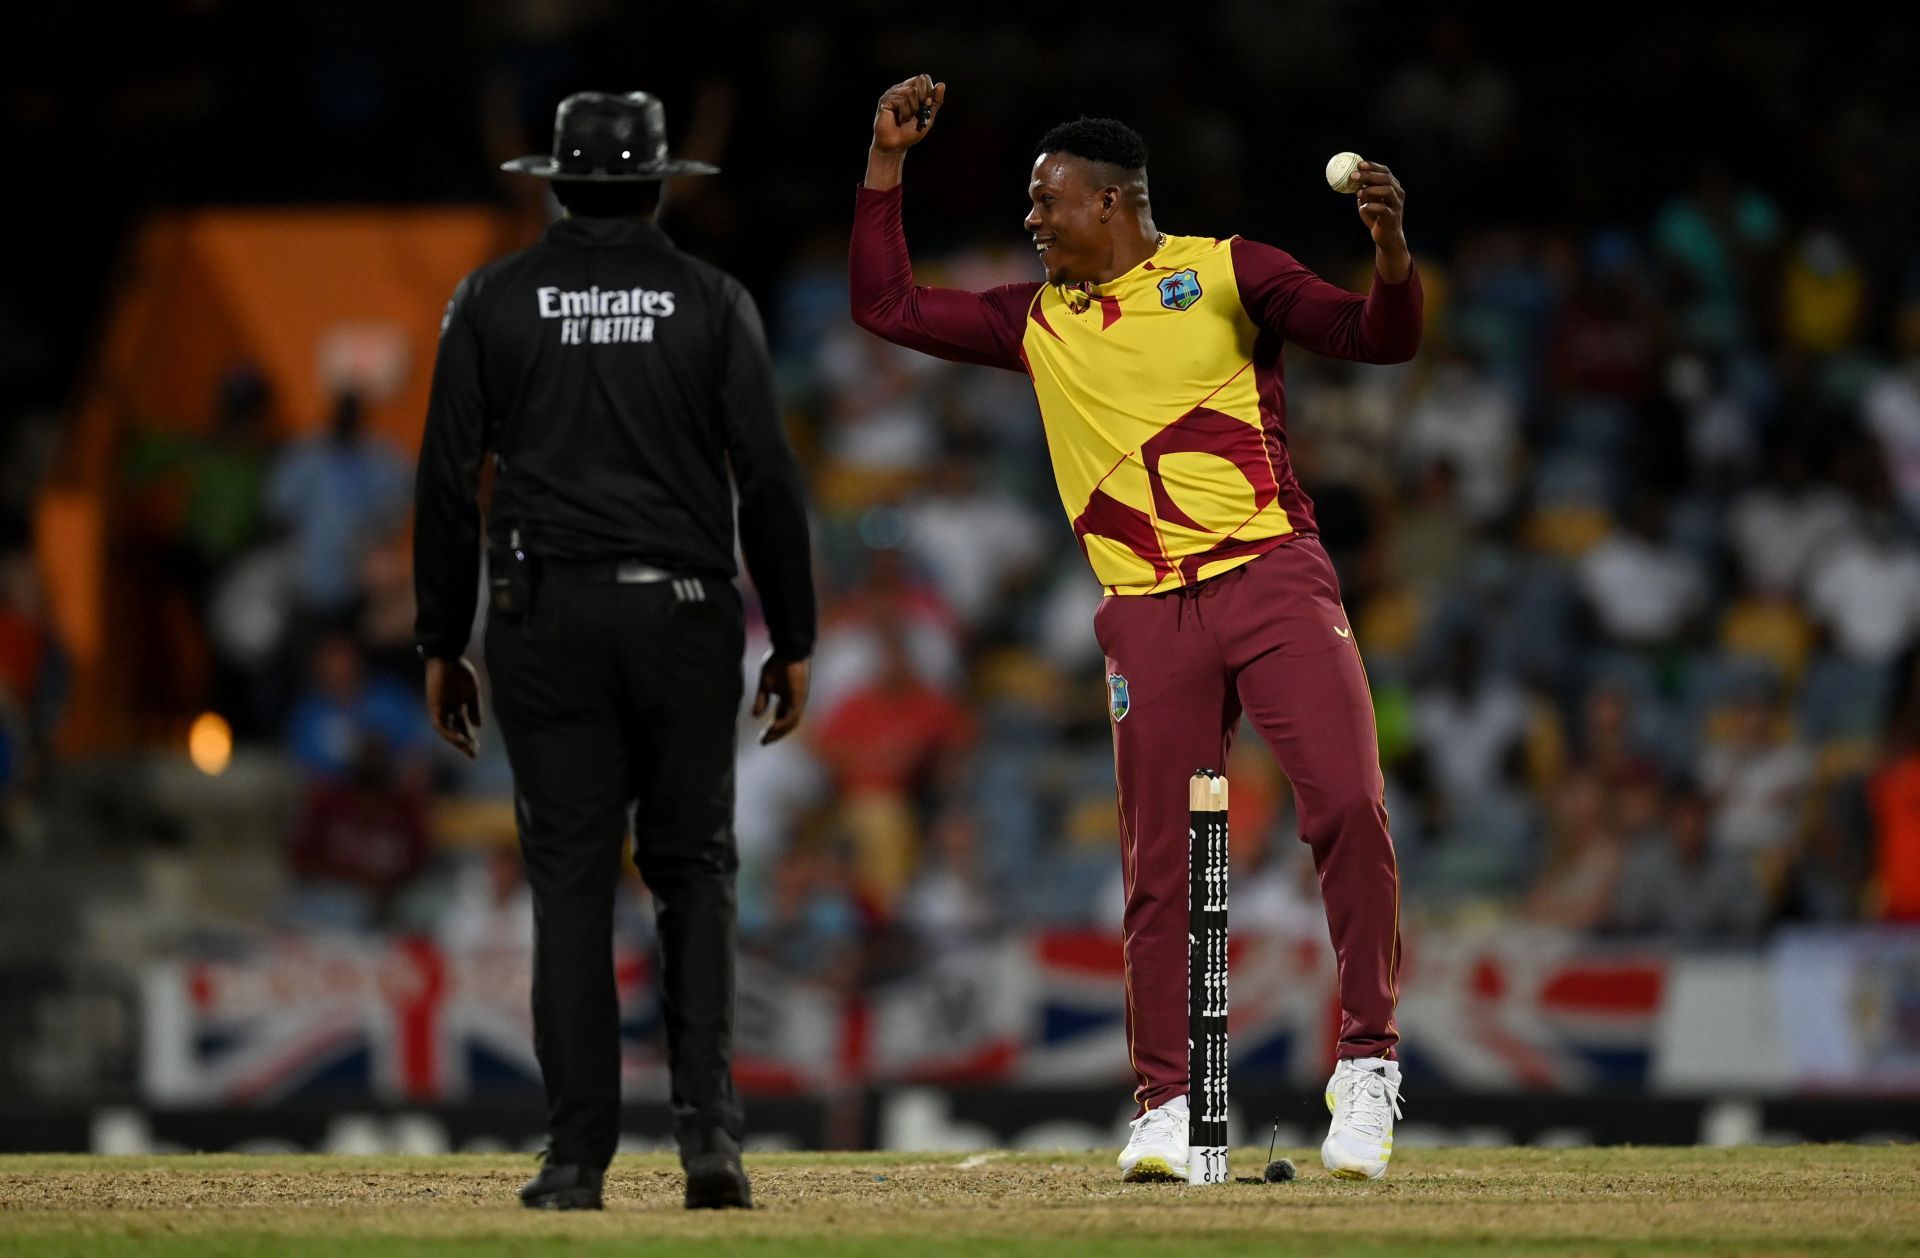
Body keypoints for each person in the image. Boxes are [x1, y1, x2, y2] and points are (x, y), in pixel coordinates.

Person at [850, 75, 1422, 1182]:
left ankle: (1366, 1065)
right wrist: (885, 167)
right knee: (1166, 863)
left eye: (1046, 203)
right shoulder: (1035, 320)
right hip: (1146, 614)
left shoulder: (1227, 273)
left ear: (1111, 203)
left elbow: (1375, 340)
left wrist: (1392, 255)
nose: (1031, 222)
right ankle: (1175, 1105)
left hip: (1271, 578)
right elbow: (887, 308)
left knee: (1348, 802)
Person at [413, 92, 816, 1211]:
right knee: (695, 875)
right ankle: (712, 1150)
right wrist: (793, 634)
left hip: (544, 620)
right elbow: (770, 478)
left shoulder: (491, 298)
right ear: (658, 183)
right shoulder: (711, 298)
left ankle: (575, 1159)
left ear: (554, 182)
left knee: (572, 888)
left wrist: (442, 638)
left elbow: (447, 480)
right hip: (686, 614)